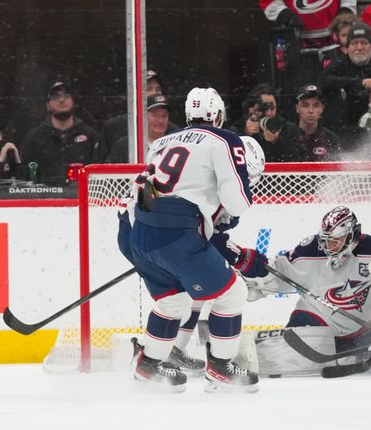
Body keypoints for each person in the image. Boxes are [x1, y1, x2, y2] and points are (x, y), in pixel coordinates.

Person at [123, 87, 268, 392]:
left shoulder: (162, 143)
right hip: (177, 232)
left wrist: (152, 242)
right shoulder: (225, 140)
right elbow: (238, 202)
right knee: (233, 293)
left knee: (173, 300)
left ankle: (148, 366)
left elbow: (145, 197)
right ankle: (220, 368)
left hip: (139, 231)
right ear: (218, 115)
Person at [244, 206, 371, 376]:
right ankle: (252, 354)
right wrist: (256, 280)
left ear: (353, 234)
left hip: (357, 330)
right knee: (293, 350)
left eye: (336, 240)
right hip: (313, 320)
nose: (329, 247)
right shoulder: (311, 249)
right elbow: (280, 272)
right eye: (326, 240)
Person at [21, 81, 99, 185]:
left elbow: (99, 174)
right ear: (48, 105)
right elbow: (26, 177)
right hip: (44, 194)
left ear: (73, 102)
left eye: (66, 96)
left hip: (82, 194)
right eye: (55, 97)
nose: (62, 100)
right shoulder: (34, 138)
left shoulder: (90, 136)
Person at [318, 21, 371, 150]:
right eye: (354, 43)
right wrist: (359, 83)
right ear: (348, 47)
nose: (359, 47)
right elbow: (323, 81)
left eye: (364, 43)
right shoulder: (340, 63)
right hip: (344, 129)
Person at [98, 69, 171, 161]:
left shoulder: (172, 130)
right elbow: (100, 165)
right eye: (148, 89)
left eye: (158, 89)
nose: (155, 93)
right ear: (136, 92)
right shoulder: (114, 127)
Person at [107, 95, 175, 164]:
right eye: (155, 115)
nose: (160, 120)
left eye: (164, 116)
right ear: (143, 116)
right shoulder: (125, 146)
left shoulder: (176, 144)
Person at [291, 84, 341, 162]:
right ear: (297, 108)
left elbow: (337, 167)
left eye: (316, 106)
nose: (311, 110)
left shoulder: (331, 139)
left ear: (322, 108)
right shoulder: (286, 137)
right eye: (305, 105)